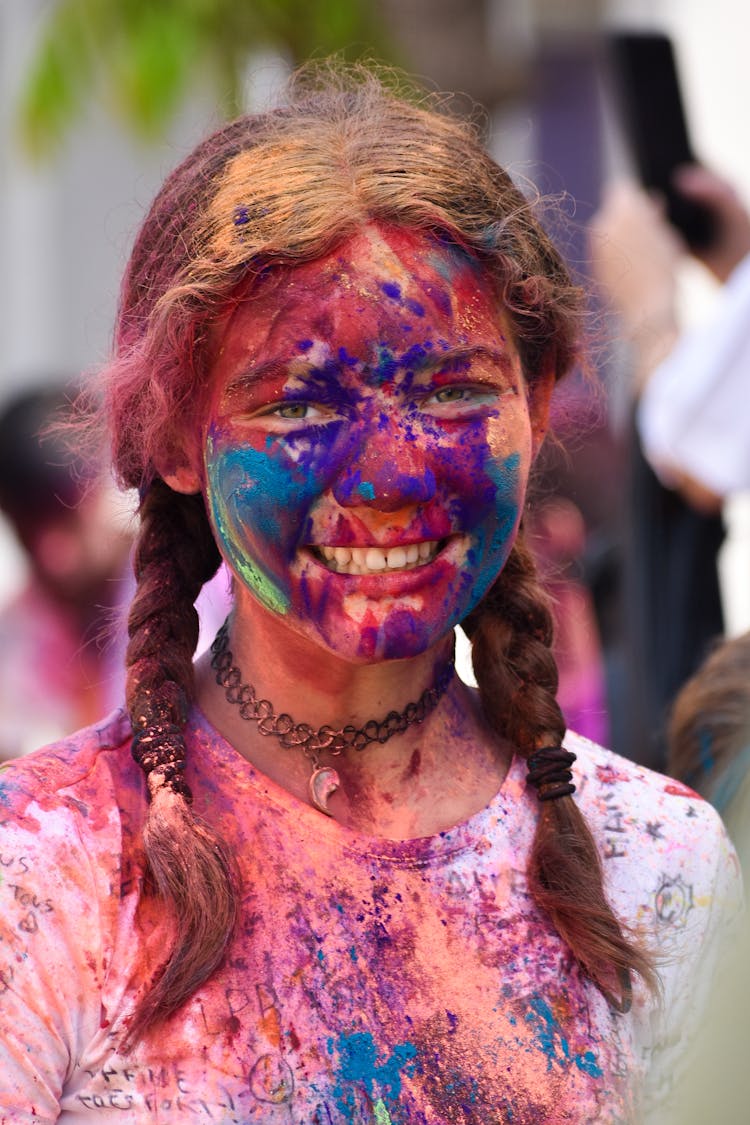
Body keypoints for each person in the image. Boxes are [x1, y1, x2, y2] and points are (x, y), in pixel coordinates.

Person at [0, 67, 739, 1123]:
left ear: (533, 408)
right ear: (174, 437)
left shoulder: (658, 874)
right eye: (299, 402)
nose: (391, 478)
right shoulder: (45, 875)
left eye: (451, 391)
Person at [0, 384, 133, 759]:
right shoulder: (18, 629)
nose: (53, 556)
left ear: (113, 483)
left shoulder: (207, 595)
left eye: (66, 519)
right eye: (28, 530)